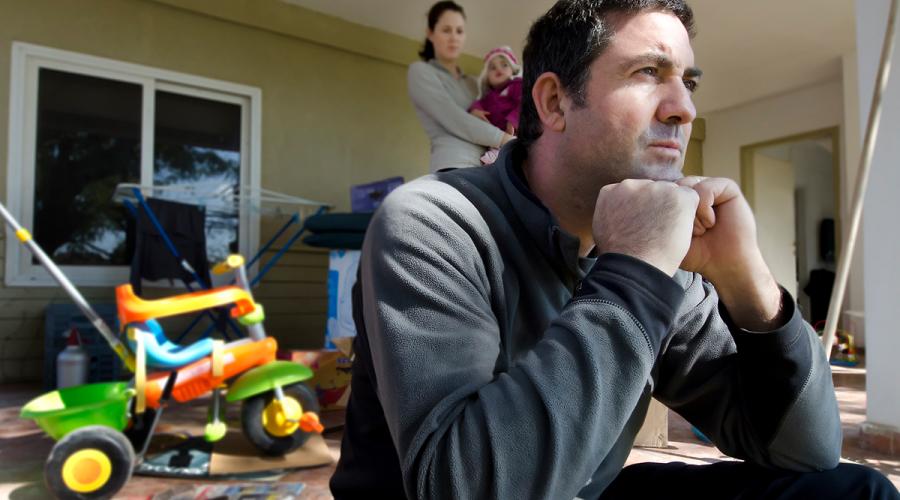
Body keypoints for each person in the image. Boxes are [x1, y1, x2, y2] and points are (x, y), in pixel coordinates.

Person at [331, 0, 900, 499]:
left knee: (855, 492)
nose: (684, 109)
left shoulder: (665, 256)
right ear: (554, 102)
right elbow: (467, 487)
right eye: (649, 72)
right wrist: (634, 271)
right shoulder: (432, 223)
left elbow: (809, 450)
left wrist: (750, 287)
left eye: (689, 82)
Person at [407, 1, 515, 172]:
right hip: (453, 166)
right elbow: (454, 118)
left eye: (459, 31)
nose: (454, 37)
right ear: (430, 33)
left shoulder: (474, 83)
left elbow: (498, 111)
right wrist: (506, 140)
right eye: (446, 30)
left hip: (488, 168)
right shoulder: (421, 71)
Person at [468, 46, 524, 165]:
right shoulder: (488, 96)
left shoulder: (516, 85)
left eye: (504, 65)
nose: (498, 69)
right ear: (487, 78)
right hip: (496, 137)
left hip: (516, 131)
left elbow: (523, 103)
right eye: (493, 68)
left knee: (517, 149)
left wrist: (513, 121)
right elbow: (478, 103)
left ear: (513, 70)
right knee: (493, 157)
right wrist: (475, 110)